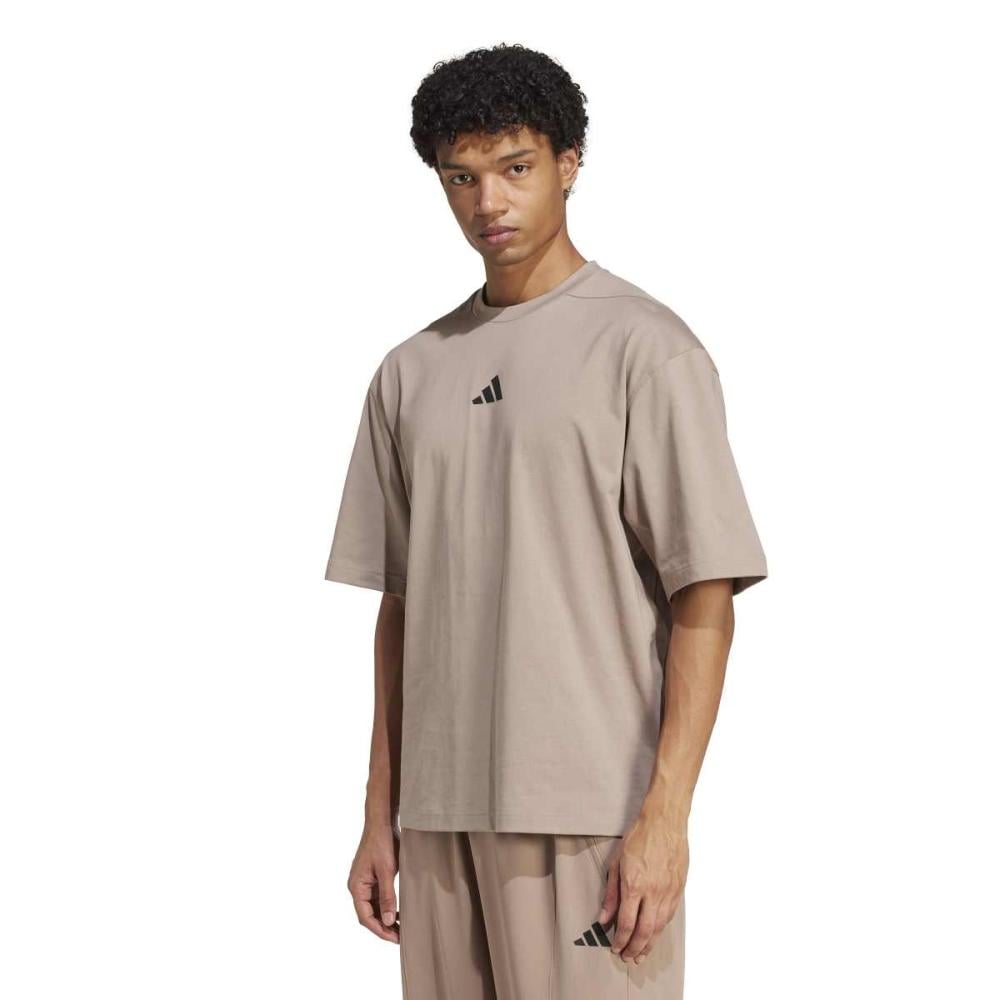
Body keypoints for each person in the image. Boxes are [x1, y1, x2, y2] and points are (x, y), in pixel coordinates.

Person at [322, 42, 768, 999]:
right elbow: (401, 607)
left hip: (589, 813)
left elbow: (706, 593)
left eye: (515, 168)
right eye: (462, 177)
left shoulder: (645, 348)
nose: (489, 203)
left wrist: (666, 817)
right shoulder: (409, 371)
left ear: (570, 163)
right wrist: (379, 813)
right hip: (438, 819)